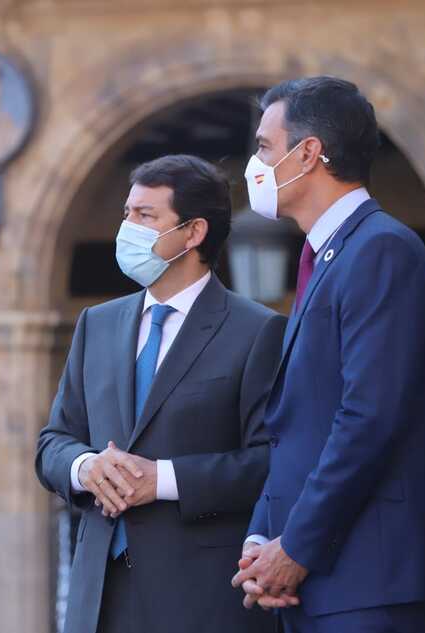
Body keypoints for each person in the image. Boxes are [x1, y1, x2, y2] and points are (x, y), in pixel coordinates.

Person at [231, 77, 425, 632]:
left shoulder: (380, 250)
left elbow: (369, 418)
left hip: (368, 573)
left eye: (265, 147)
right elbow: (295, 425)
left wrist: (295, 546)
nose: (255, 164)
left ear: (310, 153)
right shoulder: (330, 257)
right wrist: (261, 540)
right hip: (320, 576)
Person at [36, 154, 286, 633]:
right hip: (99, 594)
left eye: (145, 216)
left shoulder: (258, 331)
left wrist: (164, 479)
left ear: (193, 233)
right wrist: (86, 467)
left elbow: (270, 460)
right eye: (127, 214)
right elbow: (53, 442)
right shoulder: (97, 324)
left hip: (200, 596)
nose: (127, 228)